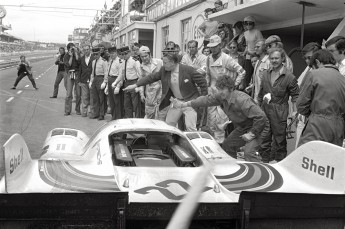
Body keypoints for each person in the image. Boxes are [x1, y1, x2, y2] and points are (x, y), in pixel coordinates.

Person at [171, 75, 269, 162]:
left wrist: (251, 134)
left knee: (249, 152)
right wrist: (184, 104)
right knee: (228, 145)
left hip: (259, 126)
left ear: (230, 88)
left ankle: (262, 173)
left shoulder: (242, 100)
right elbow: (205, 100)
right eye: (219, 89)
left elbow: (261, 117)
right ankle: (234, 169)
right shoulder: (221, 97)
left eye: (223, 89)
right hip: (244, 126)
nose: (220, 92)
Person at [123, 52, 208, 131]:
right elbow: (151, 77)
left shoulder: (188, 70)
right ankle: (171, 143)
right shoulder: (164, 71)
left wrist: (202, 99)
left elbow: (203, 83)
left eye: (165, 63)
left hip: (190, 102)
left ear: (173, 62)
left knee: (190, 127)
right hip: (176, 101)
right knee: (169, 124)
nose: (163, 65)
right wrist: (135, 85)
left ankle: (192, 144)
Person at [257, 48, 299, 162]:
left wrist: (294, 112)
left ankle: (280, 163)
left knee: (280, 141)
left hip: (280, 111)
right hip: (265, 109)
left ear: (282, 59)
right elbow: (261, 93)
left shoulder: (289, 77)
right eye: (272, 58)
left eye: (276, 58)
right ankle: (265, 162)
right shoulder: (265, 73)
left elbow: (296, 96)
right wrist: (258, 108)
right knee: (264, 138)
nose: (274, 60)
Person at [297, 49, 345, 147]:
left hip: (317, 123)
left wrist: (312, 114)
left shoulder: (314, 74)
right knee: (329, 159)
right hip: (339, 126)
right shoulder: (342, 79)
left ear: (318, 62)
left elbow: (301, 105)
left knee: (307, 155)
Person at [206, 35, 246, 143]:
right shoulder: (209, 58)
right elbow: (207, 74)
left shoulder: (227, 59)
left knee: (221, 121)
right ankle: (213, 144)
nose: (212, 49)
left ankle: (221, 145)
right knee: (211, 121)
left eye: (215, 46)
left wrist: (233, 85)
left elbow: (242, 72)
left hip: (224, 93)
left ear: (220, 45)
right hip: (212, 92)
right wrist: (207, 87)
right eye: (211, 47)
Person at [295, 42, 321, 148]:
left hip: (313, 119)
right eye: (305, 58)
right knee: (298, 149)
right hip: (302, 117)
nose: (307, 61)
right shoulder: (309, 69)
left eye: (310, 57)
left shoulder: (322, 72)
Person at [112, 46, 142, 118]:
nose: (123, 56)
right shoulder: (123, 62)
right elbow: (121, 74)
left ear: (129, 53)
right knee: (127, 104)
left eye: (125, 54)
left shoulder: (135, 61)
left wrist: (138, 85)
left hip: (134, 82)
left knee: (136, 104)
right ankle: (129, 119)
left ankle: (138, 120)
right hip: (126, 83)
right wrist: (115, 82)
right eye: (122, 54)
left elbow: (140, 74)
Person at [138, 46, 168, 120]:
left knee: (162, 115)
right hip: (150, 93)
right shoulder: (141, 67)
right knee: (149, 114)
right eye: (142, 57)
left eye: (146, 56)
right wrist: (141, 94)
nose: (144, 58)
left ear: (150, 54)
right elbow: (141, 81)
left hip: (161, 90)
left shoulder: (159, 62)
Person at [89, 47, 109, 120]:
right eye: (94, 54)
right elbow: (92, 73)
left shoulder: (104, 61)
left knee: (101, 98)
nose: (95, 56)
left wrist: (104, 82)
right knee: (95, 98)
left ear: (99, 53)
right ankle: (96, 113)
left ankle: (102, 114)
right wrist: (91, 81)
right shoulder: (93, 61)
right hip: (95, 79)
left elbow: (106, 72)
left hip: (101, 78)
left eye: (96, 54)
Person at [63, 42, 81, 116]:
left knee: (78, 93)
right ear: (67, 49)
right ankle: (67, 110)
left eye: (73, 48)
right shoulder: (66, 56)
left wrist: (76, 53)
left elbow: (79, 62)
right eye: (71, 48)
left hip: (77, 73)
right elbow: (68, 65)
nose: (72, 50)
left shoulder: (76, 54)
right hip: (70, 73)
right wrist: (70, 56)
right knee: (69, 94)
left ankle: (78, 110)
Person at [107, 47, 124, 120]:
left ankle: (118, 117)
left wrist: (118, 85)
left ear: (116, 53)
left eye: (113, 53)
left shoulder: (120, 61)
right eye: (110, 53)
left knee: (117, 101)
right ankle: (113, 116)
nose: (112, 55)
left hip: (116, 80)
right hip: (110, 79)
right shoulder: (110, 61)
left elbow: (121, 74)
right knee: (111, 101)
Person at [78, 45, 94, 117]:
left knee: (92, 97)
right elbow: (80, 70)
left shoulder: (94, 58)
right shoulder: (81, 59)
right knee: (84, 97)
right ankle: (84, 112)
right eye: (85, 50)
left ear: (90, 50)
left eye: (87, 49)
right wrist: (79, 80)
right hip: (83, 80)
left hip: (92, 80)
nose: (86, 51)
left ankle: (91, 112)